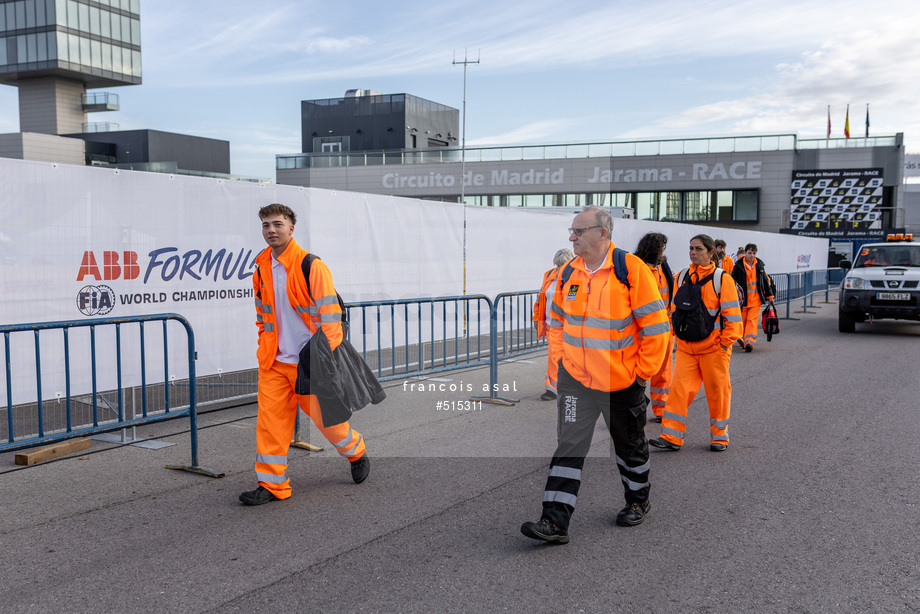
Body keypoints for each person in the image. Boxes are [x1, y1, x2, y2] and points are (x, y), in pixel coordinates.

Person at [521, 207, 670, 544]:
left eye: (578, 230)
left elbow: (657, 330)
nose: (571, 237)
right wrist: (563, 364)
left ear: (602, 233)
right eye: (571, 231)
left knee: (629, 445)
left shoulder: (630, 270)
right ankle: (555, 522)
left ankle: (637, 500)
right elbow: (557, 321)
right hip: (576, 380)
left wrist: (640, 374)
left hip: (621, 382)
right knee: (569, 446)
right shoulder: (569, 272)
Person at [239, 203, 369, 506]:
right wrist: (265, 349)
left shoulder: (311, 265)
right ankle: (273, 486)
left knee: (329, 424)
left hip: (309, 364)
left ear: (291, 228)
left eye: (278, 224)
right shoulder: (260, 267)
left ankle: (356, 452)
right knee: (270, 426)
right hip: (274, 363)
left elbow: (332, 320)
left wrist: (326, 361)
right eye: (266, 225)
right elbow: (263, 318)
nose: (271, 230)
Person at [649, 234, 742, 453]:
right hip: (686, 349)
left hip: (714, 349)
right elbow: (674, 310)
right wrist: (676, 336)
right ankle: (670, 436)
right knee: (678, 391)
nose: (693, 252)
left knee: (717, 392)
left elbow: (733, 318)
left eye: (698, 249)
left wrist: (723, 344)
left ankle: (719, 436)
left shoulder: (722, 279)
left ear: (711, 253)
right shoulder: (681, 276)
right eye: (691, 248)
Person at [632, 232, 674, 424]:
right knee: (637, 372)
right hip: (642, 331)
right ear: (653, 249)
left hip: (664, 330)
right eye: (662, 249)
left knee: (663, 371)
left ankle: (661, 408)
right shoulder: (637, 270)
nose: (664, 253)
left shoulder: (663, 268)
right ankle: (631, 407)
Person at [533, 248, 574, 401]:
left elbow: (574, 302)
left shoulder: (575, 277)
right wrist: (537, 318)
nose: (559, 269)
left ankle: (564, 386)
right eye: (557, 265)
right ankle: (552, 388)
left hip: (568, 326)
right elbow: (540, 299)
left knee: (567, 357)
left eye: (562, 266)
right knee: (554, 356)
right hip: (552, 325)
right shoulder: (548, 275)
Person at [730, 243, 775, 353]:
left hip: (755, 300)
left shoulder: (759, 265)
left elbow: (765, 281)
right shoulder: (738, 266)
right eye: (750, 253)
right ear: (745, 253)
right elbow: (732, 282)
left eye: (754, 253)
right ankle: (745, 339)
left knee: (752, 321)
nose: (752, 255)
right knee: (744, 322)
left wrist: (770, 296)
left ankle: (749, 342)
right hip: (743, 301)